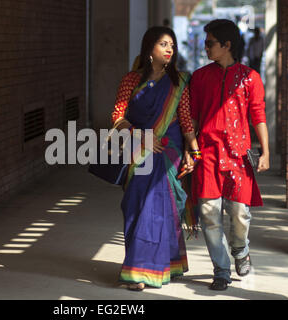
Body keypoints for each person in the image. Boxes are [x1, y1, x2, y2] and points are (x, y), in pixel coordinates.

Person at [111, 26, 200, 291]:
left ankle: (142, 271)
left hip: (167, 153)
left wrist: (194, 152)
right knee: (136, 208)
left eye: (171, 44)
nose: (169, 49)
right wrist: (140, 135)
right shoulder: (131, 80)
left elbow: (185, 121)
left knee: (157, 209)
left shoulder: (180, 81)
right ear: (149, 48)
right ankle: (150, 263)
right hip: (138, 152)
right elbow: (117, 118)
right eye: (163, 44)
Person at [189, 19, 270, 291]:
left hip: (238, 155)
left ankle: (240, 249)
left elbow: (258, 115)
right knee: (209, 213)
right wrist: (190, 150)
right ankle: (221, 270)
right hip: (207, 153)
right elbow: (192, 117)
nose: (206, 47)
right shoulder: (199, 77)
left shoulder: (250, 77)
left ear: (227, 45)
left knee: (239, 213)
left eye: (210, 42)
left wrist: (265, 151)